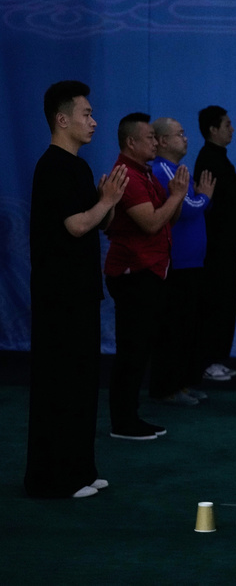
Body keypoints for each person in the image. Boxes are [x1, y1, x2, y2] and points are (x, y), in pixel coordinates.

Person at [25, 81, 128, 498]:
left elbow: (98, 222)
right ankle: (54, 478)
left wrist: (110, 200)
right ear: (62, 119)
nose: (94, 121)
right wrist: (105, 201)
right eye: (86, 114)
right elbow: (77, 225)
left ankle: (81, 469)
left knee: (83, 384)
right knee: (61, 385)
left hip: (82, 292)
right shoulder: (52, 166)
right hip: (59, 296)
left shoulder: (79, 167)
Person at [105, 113, 189, 440]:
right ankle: (123, 422)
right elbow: (152, 223)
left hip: (151, 271)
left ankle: (129, 416)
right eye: (150, 138)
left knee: (140, 350)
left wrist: (177, 194)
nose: (156, 143)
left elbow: (168, 219)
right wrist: (177, 196)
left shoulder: (146, 173)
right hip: (134, 272)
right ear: (131, 142)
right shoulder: (126, 175)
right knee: (132, 350)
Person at [151, 117, 216, 406]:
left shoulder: (177, 170)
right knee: (174, 329)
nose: (185, 138)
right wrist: (205, 197)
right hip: (178, 264)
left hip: (191, 263)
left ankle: (182, 383)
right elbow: (187, 207)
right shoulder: (163, 169)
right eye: (179, 134)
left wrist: (201, 197)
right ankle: (167, 388)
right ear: (163, 141)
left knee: (186, 327)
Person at [194, 105, 236, 382]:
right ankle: (208, 360)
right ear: (213, 129)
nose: (232, 129)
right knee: (216, 303)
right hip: (215, 246)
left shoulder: (218, 158)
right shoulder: (210, 160)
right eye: (227, 125)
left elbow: (229, 196)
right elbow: (227, 200)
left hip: (224, 243)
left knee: (224, 302)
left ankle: (216, 357)